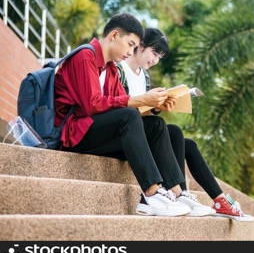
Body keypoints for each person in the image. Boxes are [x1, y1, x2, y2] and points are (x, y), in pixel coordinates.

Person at [54, 13, 191, 217]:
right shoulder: (85, 57)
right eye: (130, 44)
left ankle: (177, 193)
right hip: (74, 135)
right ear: (114, 35)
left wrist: (156, 105)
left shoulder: (109, 70)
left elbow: (127, 105)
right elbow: (92, 105)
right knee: (127, 115)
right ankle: (152, 194)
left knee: (156, 125)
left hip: (96, 134)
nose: (130, 52)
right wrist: (141, 99)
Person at [117, 28, 253, 221]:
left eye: (160, 57)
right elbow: (122, 108)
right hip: (126, 133)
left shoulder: (144, 76)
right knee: (160, 126)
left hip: (139, 127)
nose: (155, 60)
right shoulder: (119, 69)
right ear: (140, 46)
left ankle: (212, 198)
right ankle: (178, 194)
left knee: (178, 135)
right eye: (154, 53)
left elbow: (142, 110)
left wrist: (158, 106)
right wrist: (150, 107)